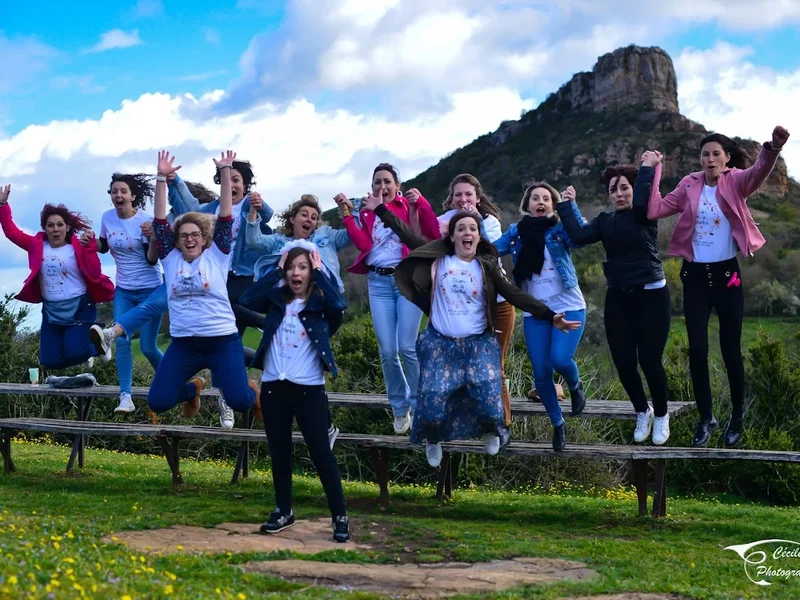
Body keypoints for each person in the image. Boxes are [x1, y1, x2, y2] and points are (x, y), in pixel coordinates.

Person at [367, 196, 581, 461]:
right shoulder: (438, 259)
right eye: (461, 229)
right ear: (453, 236)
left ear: (479, 237)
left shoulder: (487, 266)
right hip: (440, 342)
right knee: (433, 397)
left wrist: (549, 316)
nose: (467, 233)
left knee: (487, 390)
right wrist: (379, 209)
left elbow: (514, 294)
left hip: (478, 342)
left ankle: (493, 430)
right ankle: (433, 439)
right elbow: (405, 232)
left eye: (472, 229)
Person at [640, 125, 791, 448]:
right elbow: (654, 210)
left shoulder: (736, 181)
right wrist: (655, 170)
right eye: (705, 154)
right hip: (694, 279)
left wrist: (773, 148)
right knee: (697, 351)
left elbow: (759, 172)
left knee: (730, 351)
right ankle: (706, 417)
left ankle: (737, 415)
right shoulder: (688, 184)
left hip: (728, 279)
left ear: (726, 159)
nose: (709, 159)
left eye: (716, 154)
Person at [239, 242, 350, 542]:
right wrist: (274, 270)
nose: (296, 273)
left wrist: (320, 272)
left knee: (321, 454)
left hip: (309, 390)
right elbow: (247, 298)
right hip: (274, 386)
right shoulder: (275, 303)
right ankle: (284, 510)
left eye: (303, 268)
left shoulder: (319, 308)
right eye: (292, 268)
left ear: (311, 273)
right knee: (280, 453)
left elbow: (339, 305)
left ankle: (339, 515)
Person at [557, 166, 672, 445]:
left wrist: (647, 167)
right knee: (623, 362)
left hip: (651, 295)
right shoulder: (605, 220)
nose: (619, 194)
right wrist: (567, 204)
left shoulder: (645, 213)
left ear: (634, 189)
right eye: (613, 190)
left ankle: (662, 415)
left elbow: (645, 197)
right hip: (619, 297)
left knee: (649, 360)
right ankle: (642, 410)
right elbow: (580, 235)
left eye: (624, 188)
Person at [146, 150, 260, 422]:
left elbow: (225, 215)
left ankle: (253, 391)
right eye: (183, 235)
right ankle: (192, 390)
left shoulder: (218, 255)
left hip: (222, 342)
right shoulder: (171, 260)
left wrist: (225, 172)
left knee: (239, 400)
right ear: (176, 240)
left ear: (204, 237)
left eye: (195, 234)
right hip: (184, 345)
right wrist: (161, 177)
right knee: (158, 400)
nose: (189, 239)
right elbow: (160, 220)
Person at [333, 164, 440, 434]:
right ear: (372, 187)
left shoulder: (407, 206)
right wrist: (348, 214)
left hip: (408, 279)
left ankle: (419, 404)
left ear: (397, 185)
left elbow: (431, 232)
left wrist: (422, 202)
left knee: (407, 346)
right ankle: (400, 407)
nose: (383, 187)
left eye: (387, 181)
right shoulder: (367, 212)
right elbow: (362, 244)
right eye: (378, 182)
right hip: (378, 282)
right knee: (387, 351)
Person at [494, 182, 587, 444]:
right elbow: (491, 250)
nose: (541, 202)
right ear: (527, 205)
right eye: (535, 198)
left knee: (560, 359)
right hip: (536, 311)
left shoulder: (559, 228)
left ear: (552, 205)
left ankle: (575, 384)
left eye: (546, 198)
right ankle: (558, 424)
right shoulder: (517, 232)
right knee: (541, 372)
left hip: (569, 305)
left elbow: (578, 235)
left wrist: (570, 207)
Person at [0, 185, 114, 369]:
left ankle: (95, 347)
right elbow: (11, 233)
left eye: (60, 224)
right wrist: (2, 204)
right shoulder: (36, 245)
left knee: (76, 352)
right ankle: (87, 350)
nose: (55, 229)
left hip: (80, 307)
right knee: (49, 361)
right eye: (50, 225)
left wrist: (91, 247)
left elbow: (93, 271)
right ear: (44, 228)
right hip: (51, 310)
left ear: (67, 227)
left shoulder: (78, 245)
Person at [437, 174, 518, 427]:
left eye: (468, 195)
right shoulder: (442, 223)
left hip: (499, 304)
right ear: (451, 200)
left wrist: (475, 222)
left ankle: (501, 425)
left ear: (477, 198)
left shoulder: (490, 223)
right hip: (464, 309)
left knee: (495, 366)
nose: (463, 200)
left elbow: (487, 251)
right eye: (458, 195)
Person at [95, 173, 164, 413]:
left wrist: (153, 238)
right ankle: (125, 396)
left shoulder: (146, 220)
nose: (118, 195)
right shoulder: (107, 217)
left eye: (123, 191)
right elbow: (104, 245)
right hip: (123, 289)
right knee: (121, 341)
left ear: (133, 196)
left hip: (149, 289)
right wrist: (90, 243)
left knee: (147, 347)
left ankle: (173, 379)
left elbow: (152, 261)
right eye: (114, 191)